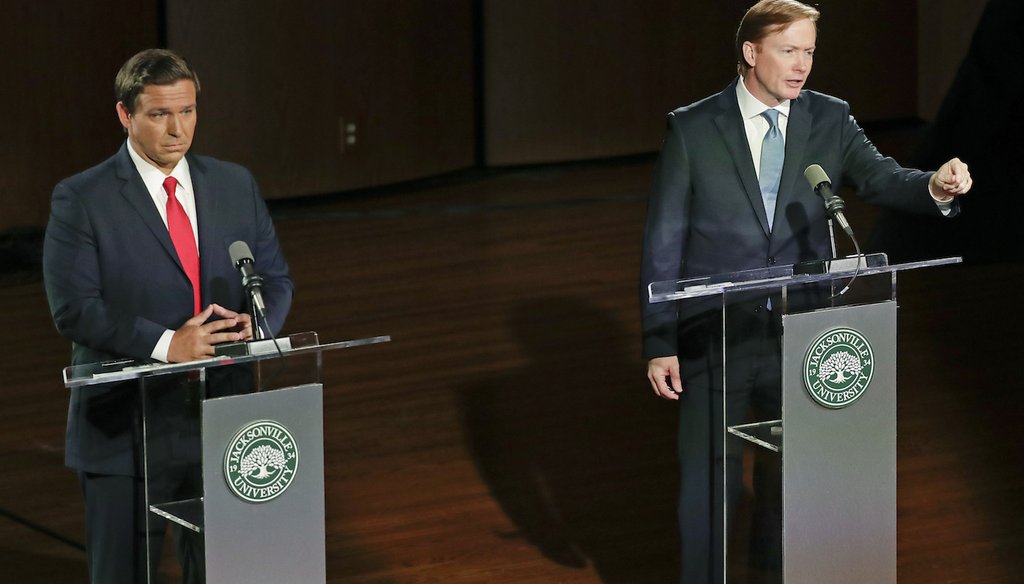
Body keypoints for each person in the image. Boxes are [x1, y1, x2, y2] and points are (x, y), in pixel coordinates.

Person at [638, 1, 972, 582]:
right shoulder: (692, 127)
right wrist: (660, 337)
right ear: (751, 52)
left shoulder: (829, 118)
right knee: (708, 483)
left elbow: (883, 179)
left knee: (788, 482)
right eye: (788, 50)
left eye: (810, 51)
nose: (802, 66)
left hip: (805, 331)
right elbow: (663, 240)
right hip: (716, 329)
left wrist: (936, 188)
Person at [43, 49, 293, 583]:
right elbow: (75, 310)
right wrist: (166, 345)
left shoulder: (233, 183)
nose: (178, 129)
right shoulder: (81, 198)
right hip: (125, 426)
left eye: (188, 111)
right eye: (159, 114)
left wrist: (257, 321)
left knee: (229, 572)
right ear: (125, 115)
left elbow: (274, 281)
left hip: (223, 420)